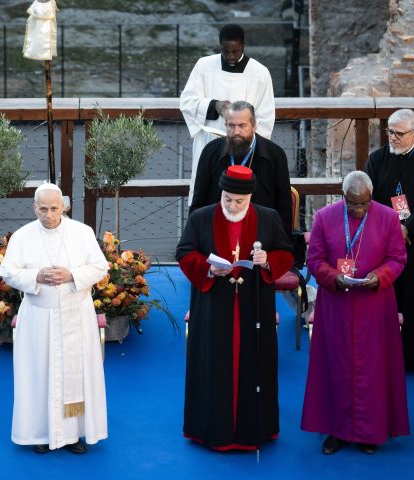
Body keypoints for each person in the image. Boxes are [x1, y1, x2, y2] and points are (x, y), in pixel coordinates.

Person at [176, 165, 293, 451]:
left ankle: (255, 429)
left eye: (239, 201)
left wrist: (267, 260)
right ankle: (212, 429)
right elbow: (184, 253)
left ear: (250, 198)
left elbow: (287, 253)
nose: (232, 206)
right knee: (214, 366)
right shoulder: (202, 217)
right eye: (227, 199)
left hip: (254, 305)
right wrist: (208, 268)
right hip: (214, 307)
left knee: (255, 365)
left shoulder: (268, 217)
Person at [301, 171, 409, 455]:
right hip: (336, 305)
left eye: (364, 203)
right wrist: (333, 276)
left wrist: (379, 276)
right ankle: (335, 431)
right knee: (335, 366)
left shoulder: (388, 218)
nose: (359, 209)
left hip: (375, 306)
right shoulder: (324, 217)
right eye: (353, 203)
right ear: (343, 196)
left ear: (371, 197)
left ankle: (369, 432)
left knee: (373, 369)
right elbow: (315, 259)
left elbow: (398, 258)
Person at [0, 183, 108, 454]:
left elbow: (100, 267)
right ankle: (40, 432)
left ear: (64, 207)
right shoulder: (22, 236)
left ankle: (74, 433)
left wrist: (71, 275)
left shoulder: (82, 232)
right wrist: (36, 276)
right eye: (43, 209)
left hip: (76, 315)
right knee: (38, 375)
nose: (49, 215)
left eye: (54, 209)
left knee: (77, 375)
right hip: (38, 318)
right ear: (34, 207)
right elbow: (7, 272)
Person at [180, 24, 275, 206]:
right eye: (226, 51)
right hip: (209, 144)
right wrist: (213, 105)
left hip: (243, 148)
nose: (230, 56)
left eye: (235, 51)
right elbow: (187, 101)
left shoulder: (260, 73)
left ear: (243, 45)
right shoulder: (204, 66)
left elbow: (266, 117)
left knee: (238, 200)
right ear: (219, 46)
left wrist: (245, 137)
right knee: (207, 197)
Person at [190, 101, 291, 233]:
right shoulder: (211, 151)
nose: (236, 131)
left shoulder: (274, 154)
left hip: (260, 232)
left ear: (254, 125)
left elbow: (283, 205)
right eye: (231, 125)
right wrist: (194, 235)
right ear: (225, 125)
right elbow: (199, 199)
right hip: (217, 231)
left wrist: (282, 240)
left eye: (242, 125)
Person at [364, 108, 414, 371]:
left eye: (399, 134)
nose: (392, 138)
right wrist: (393, 230)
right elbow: (367, 198)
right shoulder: (377, 158)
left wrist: (408, 227)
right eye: (389, 132)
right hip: (383, 239)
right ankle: (382, 356)